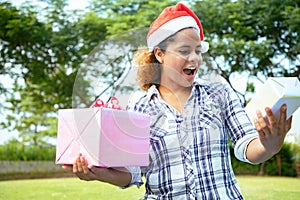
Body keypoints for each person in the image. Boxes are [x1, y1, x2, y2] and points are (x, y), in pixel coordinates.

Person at [64, 3, 293, 199]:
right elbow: (132, 173)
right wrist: (97, 174)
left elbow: (246, 146)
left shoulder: (219, 92)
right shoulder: (139, 106)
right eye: (184, 50)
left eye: (198, 50)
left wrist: (269, 144)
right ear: (160, 54)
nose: (194, 58)